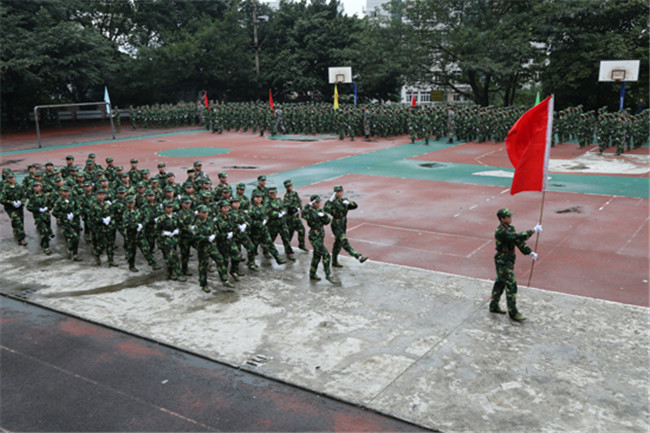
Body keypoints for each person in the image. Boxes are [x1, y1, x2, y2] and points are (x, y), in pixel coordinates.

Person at [489, 208, 542, 322]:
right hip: (502, 260)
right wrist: (533, 230)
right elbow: (517, 237)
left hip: (509, 259)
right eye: (508, 216)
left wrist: (530, 252)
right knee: (511, 285)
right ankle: (513, 313)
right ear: (502, 219)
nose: (510, 218)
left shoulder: (510, 228)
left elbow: (518, 242)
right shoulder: (501, 231)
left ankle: (493, 306)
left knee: (500, 282)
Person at [193, 204, 234, 292]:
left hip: (211, 246)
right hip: (202, 247)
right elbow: (196, 236)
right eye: (203, 212)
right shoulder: (197, 223)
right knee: (203, 266)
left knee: (220, 259)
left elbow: (215, 229)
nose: (205, 214)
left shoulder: (210, 220)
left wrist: (214, 235)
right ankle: (203, 284)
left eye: (206, 212)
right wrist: (207, 238)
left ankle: (224, 279)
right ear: (199, 213)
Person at [324, 185, 368, 267]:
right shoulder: (332, 202)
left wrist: (349, 203)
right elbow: (326, 210)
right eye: (337, 192)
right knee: (344, 241)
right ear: (334, 193)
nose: (339, 193)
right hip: (336, 223)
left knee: (338, 244)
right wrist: (330, 200)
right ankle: (358, 256)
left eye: (340, 191)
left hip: (343, 222)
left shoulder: (344, 200)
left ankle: (334, 261)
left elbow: (355, 206)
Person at [301, 194, 338, 284]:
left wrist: (324, 216)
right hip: (314, 236)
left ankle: (312, 273)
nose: (319, 204)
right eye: (316, 202)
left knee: (317, 255)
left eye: (319, 202)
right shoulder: (309, 211)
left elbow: (327, 221)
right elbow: (303, 214)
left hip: (320, 234)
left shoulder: (320, 210)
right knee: (325, 254)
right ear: (313, 203)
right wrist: (308, 205)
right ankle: (328, 275)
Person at [0, 171, 28, 245]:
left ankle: (17, 232)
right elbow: (2, 199)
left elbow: (24, 196)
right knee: (17, 220)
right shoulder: (5, 188)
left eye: (12, 177)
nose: (11, 179)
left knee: (20, 222)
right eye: (9, 178)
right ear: (7, 179)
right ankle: (21, 239)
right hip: (10, 208)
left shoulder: (19, 186)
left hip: (19, 207)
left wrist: (21, 202)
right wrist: (12, 203)